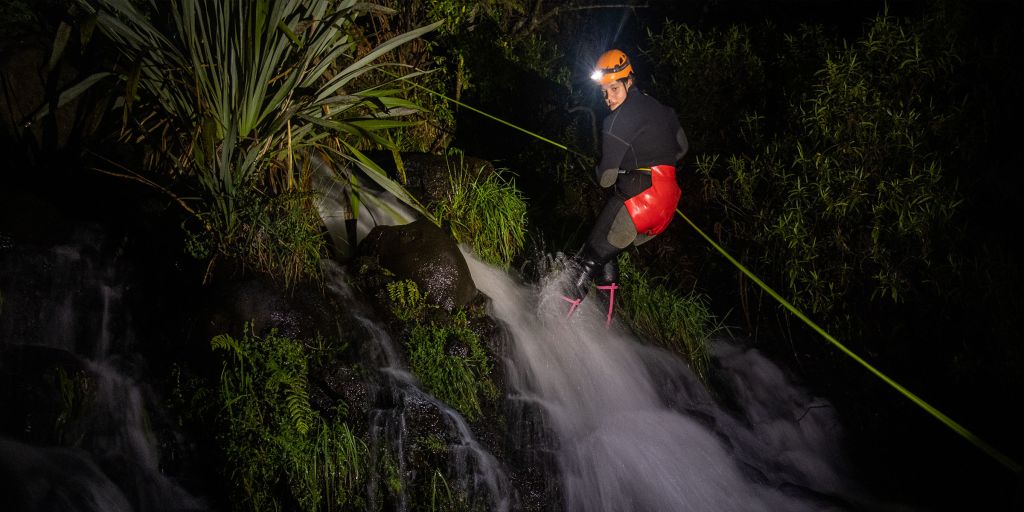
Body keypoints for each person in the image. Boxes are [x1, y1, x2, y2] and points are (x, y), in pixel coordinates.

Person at [562, 49, 689, 324]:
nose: (609, 98)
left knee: (588, 258)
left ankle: (553, 324)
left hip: (638, 200)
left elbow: (606, 178)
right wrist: (644, 159)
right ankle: (605, 326)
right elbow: (682, 148)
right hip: (667, 202)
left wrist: (604, 166)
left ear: (629, 81)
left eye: (615, 89)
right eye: (604, 92)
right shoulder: (662, 110)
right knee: (606, 254)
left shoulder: (615, 121)